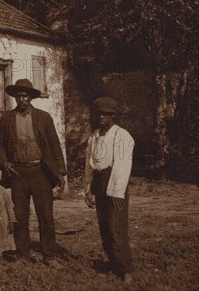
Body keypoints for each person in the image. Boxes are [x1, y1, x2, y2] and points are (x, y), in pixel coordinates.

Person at [0, 79, 66, 268]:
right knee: (20, 216)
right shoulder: (7, 118)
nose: (21, 99)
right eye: (18, 96)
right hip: (17, 172)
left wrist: (60, 172)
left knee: (46, 216)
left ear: (31, 97)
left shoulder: (44, 117)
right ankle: (23, 255)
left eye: (25, 96)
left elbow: (54, 144)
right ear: (14, 97)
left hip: (40, 172)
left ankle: (49, 256)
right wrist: (3, 163)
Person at [84, 97, 134, 284]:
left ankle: (125, 268)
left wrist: (117, 193)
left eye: (107, 114)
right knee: (104, 227)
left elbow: (122, 166)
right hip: (99, 182)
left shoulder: (121, 136)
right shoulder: (94, 136)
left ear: (113, 115)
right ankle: (113, 264)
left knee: (116, 227)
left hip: (114, 182)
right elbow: (89, 164)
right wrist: (88, 188)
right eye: (99, 113)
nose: (102, 117)